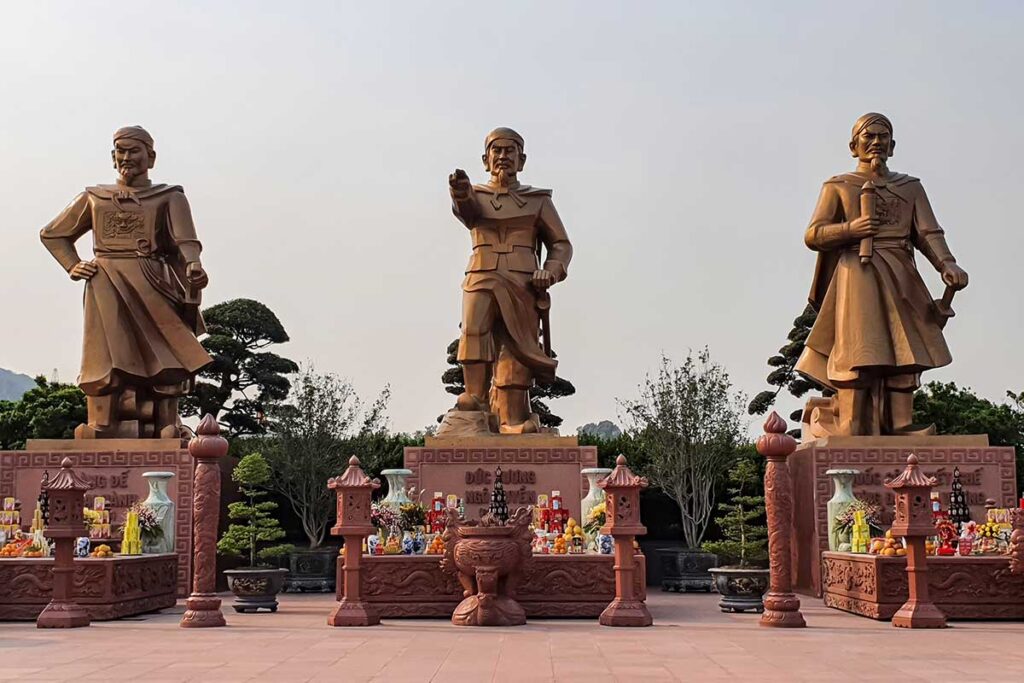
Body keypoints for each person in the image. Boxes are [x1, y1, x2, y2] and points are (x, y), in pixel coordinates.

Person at [796, 113, 968, 436]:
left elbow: (929, 233)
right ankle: (851, 423)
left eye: (883, 137)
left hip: (902, 273)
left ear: (893, 145)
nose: (876, 142)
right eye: (869, 136)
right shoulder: (839, 186)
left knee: (907, 351)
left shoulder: (911, 188)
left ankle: (901, 424)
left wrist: (947, 263)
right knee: (859, 352)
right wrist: (851, 228)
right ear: (853, 146)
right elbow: (814, 234)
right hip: (857, 275)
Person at [40, 126, 211, 439]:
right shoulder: (94, 198)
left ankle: (166, 423)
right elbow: (53, 234)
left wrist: (194, 266)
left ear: (151, 157)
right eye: (121, 151)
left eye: (135, 150)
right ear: (112, 156)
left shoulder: (169, 196)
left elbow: (186, 241)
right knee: (103, 354)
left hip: (153, 280)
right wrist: (73, 264)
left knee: (165, 352)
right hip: (104, 281)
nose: (127, 157)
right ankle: (100, 423)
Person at [446, 127, 573, 433]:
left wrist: (551, 270)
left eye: (510, 151)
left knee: (519, 348)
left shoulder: (538, 201)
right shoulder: (476, 196)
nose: (503, 156)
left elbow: (561, 245)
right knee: (475, 332)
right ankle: (474, 403)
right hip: (481, 274)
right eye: (497, 151)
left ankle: (514, 417)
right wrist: (460, 192)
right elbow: (467, 211)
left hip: (524, 281)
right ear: (486, 159)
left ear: (522, 159)